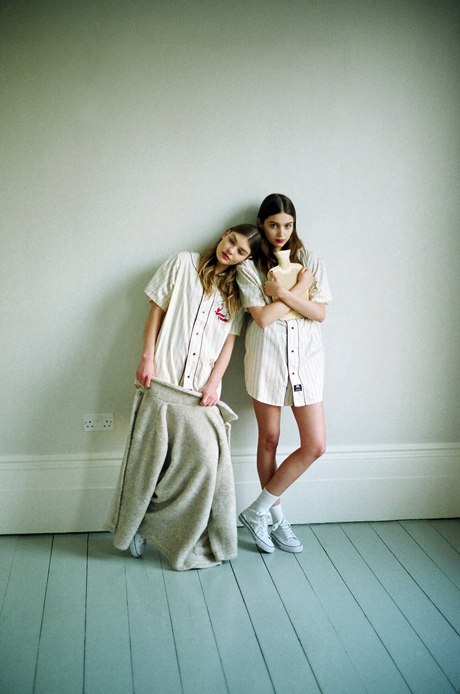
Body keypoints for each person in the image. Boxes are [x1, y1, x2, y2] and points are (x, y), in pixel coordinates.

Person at [106, 223, 262, 570]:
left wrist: (214, 383)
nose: (231, 251)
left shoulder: (236, 295)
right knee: (150, 463)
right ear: (224, 234)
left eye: (241, 251)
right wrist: (147, 357)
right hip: (162, 381)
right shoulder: (182, 264)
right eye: (231, 242)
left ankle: (162, 527)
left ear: (246, 260)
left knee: (205, 461)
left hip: (197, 393)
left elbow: (229, 343)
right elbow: (155, 311)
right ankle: (136, 527)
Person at [237, 194, 332, 554]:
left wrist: (282, 293)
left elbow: (319, 314)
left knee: (315, 445)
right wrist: (298, 290)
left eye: (288, 225)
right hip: (267, 360)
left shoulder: (311, 261)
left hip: (306, 361)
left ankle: (257, 510)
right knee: (269, 439)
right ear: (261, 224)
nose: (281, 232)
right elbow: (263, 318)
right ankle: (275, 519)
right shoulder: (250, 267)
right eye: (274, 224)